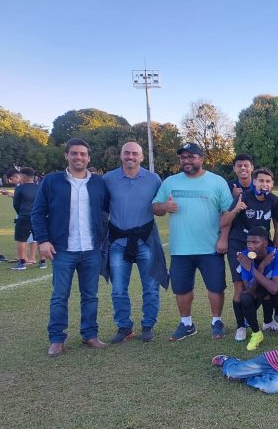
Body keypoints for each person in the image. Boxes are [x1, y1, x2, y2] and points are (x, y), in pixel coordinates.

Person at [31, 138, 109, 357]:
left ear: (88, 157)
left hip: (91, 249)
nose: (79, 157)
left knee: (90, 295)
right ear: (66, 155)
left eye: (83, 154)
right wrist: (43, 240)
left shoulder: (98, 182)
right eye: (74, 153)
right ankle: (57, 339)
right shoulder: (51, 181)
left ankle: (90, 335)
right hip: (62, 249)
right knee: (59, 296)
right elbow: (38, 213)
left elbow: (105, 210)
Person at [152, 143, 233, 341]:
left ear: (201, 159)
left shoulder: (217, 181)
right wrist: (165, 206)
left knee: (215, 287)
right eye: (183, 157)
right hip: (181, 248)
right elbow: (155, 206)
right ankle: (186, 323)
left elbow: (227, 212)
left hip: (210, 246)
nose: (186, 161)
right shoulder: (170, 181)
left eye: (191, 157)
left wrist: (223, 238)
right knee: (181, 288)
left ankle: (217, 321)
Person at [102, 142, 167, 344]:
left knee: (150, 286)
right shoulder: (108, 179)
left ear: (141, 157)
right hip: (118, 241)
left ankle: (148, 325)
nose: (131, 157)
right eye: (127, 153)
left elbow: (161, 206)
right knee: (119, 288)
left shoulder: (153, 179)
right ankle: (124, 327)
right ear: (121, 155)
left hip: (145, 240)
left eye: (135, 154)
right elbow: (101, 208)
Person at [220, 157, 278, 339]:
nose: (264, 184)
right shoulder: (243, 197)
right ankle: (241, 326)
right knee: (240, 287)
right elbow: (223, 222)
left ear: (271, 184)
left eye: (267, 181)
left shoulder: (273, 199)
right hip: (240, 246)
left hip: (262, 247)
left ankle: (268, 321)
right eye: (261, 181)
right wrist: (235, 210)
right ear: (254, 182)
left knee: (265, 283)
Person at [235, 227, 278, 351]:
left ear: (265, 243)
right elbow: (249, 289)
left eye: (255, 242)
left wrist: (253, 269)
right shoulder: (245, 257)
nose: (250, 246)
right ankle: (256, 334)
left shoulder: (276, 255)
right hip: (258, 287)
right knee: (245, 297)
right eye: (248, 242)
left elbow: (275, 288)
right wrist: (260, 267)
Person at [10, 168, 45, 270]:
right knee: (39, 239)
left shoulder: (19, 188)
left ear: (24, 176)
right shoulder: (39, 187)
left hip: (24, 216)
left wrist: (20, 213)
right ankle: (42, 262)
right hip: (38, 217)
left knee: (21, 239)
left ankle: (21, 263)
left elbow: (16, 204)